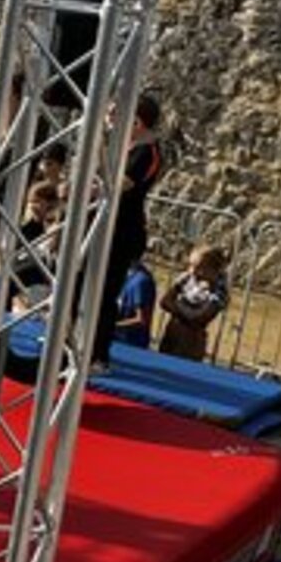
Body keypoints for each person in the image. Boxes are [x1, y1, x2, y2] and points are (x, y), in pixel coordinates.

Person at [92, 93, 166, 367]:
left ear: (136, 121)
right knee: (80, 285)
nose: (109, 117)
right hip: (99, 225)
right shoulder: (121, 146)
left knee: (104, 293)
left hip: (122, 232)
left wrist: (97, 150)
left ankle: (98, 355)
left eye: (114, 112)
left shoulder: (148, 152)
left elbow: (120, 184)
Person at [160, 243, 230, 362]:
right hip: (171, 335)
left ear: (212, 269)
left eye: (198, 267)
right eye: (190, 265)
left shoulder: (219, 291)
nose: (192, 271)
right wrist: (188, 310)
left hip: (191, 343)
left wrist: (178, 305)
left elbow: (199, 318)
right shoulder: (186, 278)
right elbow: (164, 302)